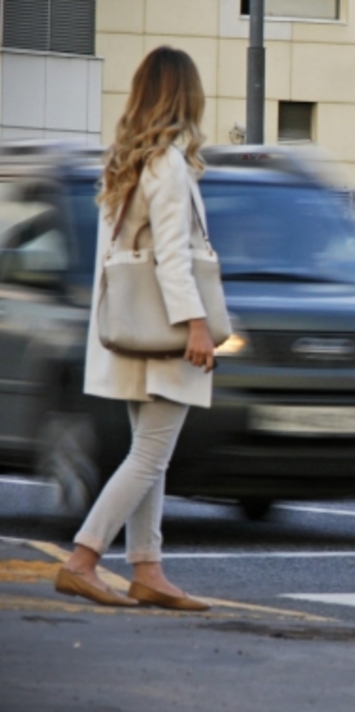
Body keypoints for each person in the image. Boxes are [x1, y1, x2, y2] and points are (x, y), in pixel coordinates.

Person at [54, 46, 219, 611]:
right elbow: (173, 256)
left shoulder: (126, 157)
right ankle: (83, 559)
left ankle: (147, 567)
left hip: (132, 328)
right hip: (166, 330)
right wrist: (196, 324)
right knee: (150, 452)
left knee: (149, 451)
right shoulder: (168, 163)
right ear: (185, 95)